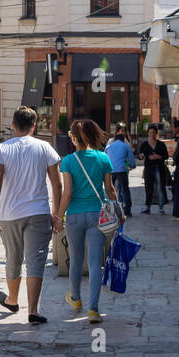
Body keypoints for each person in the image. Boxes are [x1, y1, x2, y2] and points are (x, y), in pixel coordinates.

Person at [0, 106, 63, 324]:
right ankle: (33, 310)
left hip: (9, 213)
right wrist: (56, 213)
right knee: (36, 260)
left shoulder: (1, 149)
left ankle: (12, 299)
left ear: (12, 125)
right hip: (38, 211)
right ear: (33, 126)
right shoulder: (45, 147)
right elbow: (56, 184)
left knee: (13, 257)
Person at [59, 118, 117, 324]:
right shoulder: (103, 158)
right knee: (94, 263)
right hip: (97, 215)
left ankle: (75, 299)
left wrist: (58, 216)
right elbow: (110, 189)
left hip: (74, 215)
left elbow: (67, 193)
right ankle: (93, 309)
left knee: (75, 259)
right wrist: (119, 210)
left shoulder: (68, 161)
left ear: (74, 138)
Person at [138, 123, 171, 214]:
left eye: (154, 132)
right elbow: (140, 156)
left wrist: (158, 156)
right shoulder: (144, 144)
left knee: (160, 188)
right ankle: (147, 207)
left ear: (156, 133)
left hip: (159, 168)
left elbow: (166, 156)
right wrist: (141, 156)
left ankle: (161, 208)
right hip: (149, 168)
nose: (152, 134)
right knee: (148, 188)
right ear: (148, 133)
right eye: (150, 132)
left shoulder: (161, 144)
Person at [105, 125, 135, 217]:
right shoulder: (126, 146)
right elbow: (132, 163)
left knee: (109, 190)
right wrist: (130, 166)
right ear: (123, 140)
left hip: (111, 171)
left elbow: (105, 159)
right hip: (122, 170)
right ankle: (127, 210)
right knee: (125, 190)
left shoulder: (108, 147)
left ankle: (109, 209)